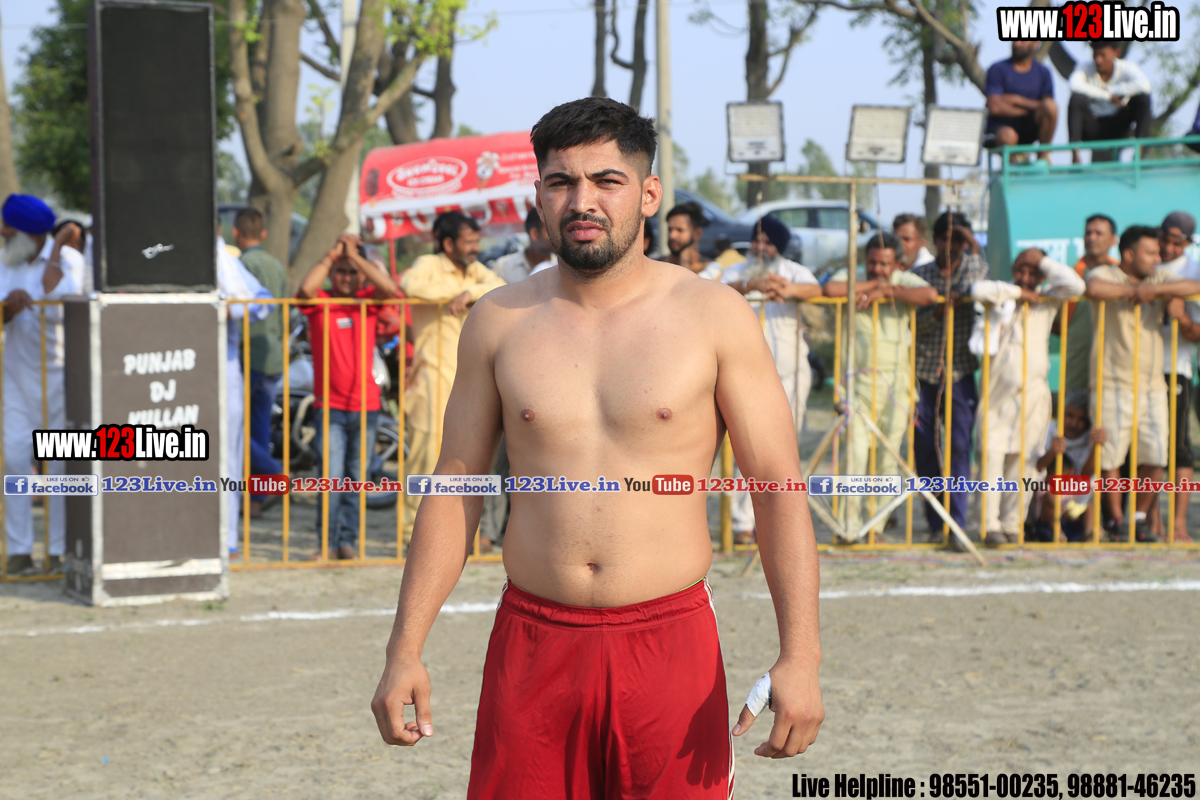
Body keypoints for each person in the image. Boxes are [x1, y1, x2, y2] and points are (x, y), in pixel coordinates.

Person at [371, 97, 824, 797]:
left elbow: (776, 488)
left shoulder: (714, 316)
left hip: (669, 642)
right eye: (561, 182)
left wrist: (802, 655)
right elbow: (456, 488)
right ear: (540, 197)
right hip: (533, 645)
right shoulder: (498, 321)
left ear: (648, 194)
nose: (582, 201)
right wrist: (404, 649)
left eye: (606, 180)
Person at [1084, 225, 1200, 541]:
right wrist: (1137, 292)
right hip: (1110, 382)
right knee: (1109, 455)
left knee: (1157, 455)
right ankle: (1116, 522)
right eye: (1150, 253)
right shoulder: (1107, 273)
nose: (1157, 258)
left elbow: (1194, 285)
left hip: (1152, 385)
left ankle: (1137, 519)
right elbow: (1094, 288)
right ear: (1129, 254)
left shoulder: (1158, 277)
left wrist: (1154, 290)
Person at [399, 211, 505, 550]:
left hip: (471, 383)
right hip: (431, 379)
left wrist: (471, 292)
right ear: (448, 244)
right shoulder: (428, 265)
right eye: (468, 242)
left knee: (470, 460)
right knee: (424, 459)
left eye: (476, 241)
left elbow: (501, 287)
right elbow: (410, 285)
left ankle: (459, 534)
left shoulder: (477, 273)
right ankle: (411, 537)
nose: (475, 248)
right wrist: (460, 292)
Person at [824, 233, 938, 542]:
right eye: (872, 262)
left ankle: (874, 527)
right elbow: (831, 289)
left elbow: (930, 295)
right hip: (855, 384)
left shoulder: (903, 280)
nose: (877, 269)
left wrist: (887, 290)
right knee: (855, 453)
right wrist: (873, 287)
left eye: (884, 264)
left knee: (887, 460)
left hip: (897, 386)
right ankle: (848, 527)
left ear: (898, 264)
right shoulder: (853, 276)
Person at [969, 249, 1086, 545]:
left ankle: (1012, 525)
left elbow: (1076, 285)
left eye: (1033, 272)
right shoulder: (1000, 295)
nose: (1025, 277)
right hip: (997, 396)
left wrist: (1041, 262)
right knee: (992, 460)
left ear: (1042, 276)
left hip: (1034, 395)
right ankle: (988, 526)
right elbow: (977, 289)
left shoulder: (1048, 300)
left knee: (1025, 464)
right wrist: (1020, 292)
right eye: (1021, 270)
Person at [296, 233, 401, 559]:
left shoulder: (368, 301)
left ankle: (348, 542)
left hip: (366, 407)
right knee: (330, 479)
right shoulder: (320, 303)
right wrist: (333, 253)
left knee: (356, 479)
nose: (346, 277)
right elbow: (305, 289)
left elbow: (389, 289)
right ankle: (326, 543)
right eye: (340, 272)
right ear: (332, 273)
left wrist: (355, 257)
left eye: (352, 272)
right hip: (330, 408)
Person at [722, 214, 822, 543]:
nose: (761, 247)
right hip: (745, 375)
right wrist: (750, 286)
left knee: (787, 449)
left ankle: (782, 521)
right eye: (757, 240)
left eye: (768, 242)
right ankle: (742, 524)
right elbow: (712, 290)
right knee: (746, 448)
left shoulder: (793, 271)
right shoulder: (737, 271)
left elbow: (816, 289)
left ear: (780, 247)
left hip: (791, 373)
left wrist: (789, 289)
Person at [0, 195, 78, 576]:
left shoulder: (70, 260)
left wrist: (58, 248)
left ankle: (58, 550)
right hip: (16, 378)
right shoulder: (5, 261)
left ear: (28, 233)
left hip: (63, 380)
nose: (2, 232)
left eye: (7, 227)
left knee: (60, 466)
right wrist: (7, 308)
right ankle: (19, 551)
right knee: (16, 459)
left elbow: (59, 298)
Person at [912, 212, 990, 541]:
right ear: (934, 240)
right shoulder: (919, 276)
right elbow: (914, 323)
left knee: (960, 446)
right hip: (924, 372)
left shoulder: (973, 268)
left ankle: (956, 523)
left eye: (957, 239)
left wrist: (969, 239)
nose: (951, 245)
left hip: (959, 373)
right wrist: (939, 311)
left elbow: (982, 272)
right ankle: (936, 522)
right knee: (925, 447)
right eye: (945, 238)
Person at [230, 208, 287, 518]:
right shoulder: (276, 265)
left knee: (237, 428)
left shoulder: (240, 265)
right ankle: (255, 500)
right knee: (260, 430)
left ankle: (274, 472)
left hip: (247, 354)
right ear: (263, 234)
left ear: (236, 233)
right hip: (273, 354)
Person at [217, 236, 272, 557]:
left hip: (222, 372)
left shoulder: (221, 256)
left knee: (227, 455)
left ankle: (225, 539)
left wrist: (225, 310)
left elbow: (263, 300)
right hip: (170, 371)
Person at [1153, 211, 1200, 542]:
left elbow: (1195, 331)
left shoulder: (1193, 268)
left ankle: (1179, 524)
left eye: (1176, 243)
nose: (1168, 248)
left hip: (1176, 366)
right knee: (1148, 450)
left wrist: (1182, 318)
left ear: (1187, 243)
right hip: (1139, 366)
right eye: (1164, 240)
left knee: (1178, 447)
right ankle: (1151, 523)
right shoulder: (1146, 260)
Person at [1029, 390, 1107, 541]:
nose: (1073, 423)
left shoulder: (1091, 437)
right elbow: (1036, 469)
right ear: (1061, 413)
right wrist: (1052, 451)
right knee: (1050, 495)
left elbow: (1086, 477)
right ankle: (1054, 531)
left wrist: (1096, 448)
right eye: (1069, 416)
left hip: (1073, 500)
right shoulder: (1047, 431)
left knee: (1091, 499)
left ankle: (1090, 532)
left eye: (1081, 419)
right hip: (1045, 503)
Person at [1060, 214, 1118, 395]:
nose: (1092, 238)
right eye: (1088, 233)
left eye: (1099, 233)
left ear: (1113, 240)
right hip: (1077, 370)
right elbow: (1056, 324)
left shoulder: (1121, 276)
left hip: (1112, 372)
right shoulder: (1069, 276)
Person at [1068, 40, 1152, 162]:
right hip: (1093, 128)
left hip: (1119, 127)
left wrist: (1113, 90)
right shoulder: (1085, 67)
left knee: (1143, 99)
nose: (1098, 60)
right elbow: (1074, 85)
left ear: (1116, 53)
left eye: (1103, 55)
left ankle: (1139, 155)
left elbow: (1145, 86)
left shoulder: (1126, 68)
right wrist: (1107, 96)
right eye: (1095, 54)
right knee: (1076, 99)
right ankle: (1075, 158)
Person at [985, 40, 1057, 158]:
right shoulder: (997, 69)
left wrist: (1017, 100)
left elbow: (1048, 107)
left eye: (1022, 41)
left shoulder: (1043, 72)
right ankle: (1014, 166)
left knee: (1051, 107)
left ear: (1035, 43)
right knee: (1008, 136)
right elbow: (995, 107)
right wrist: (1031, 110)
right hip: (1001, 128)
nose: (1017, 44)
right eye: (1014, 40)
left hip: (1030, 128)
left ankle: (1043, 157)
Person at [492, 207, 556, 284]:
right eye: (551, 230)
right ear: (534, 234)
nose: (557, 235)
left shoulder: (562, 268)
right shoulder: (503, 266)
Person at [664, 201, 721, 279]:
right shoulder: (657, 265)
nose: (672, 236)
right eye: (670, 229)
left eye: (679, 230)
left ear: (697, 233)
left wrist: (685, 263)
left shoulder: (711, 268)